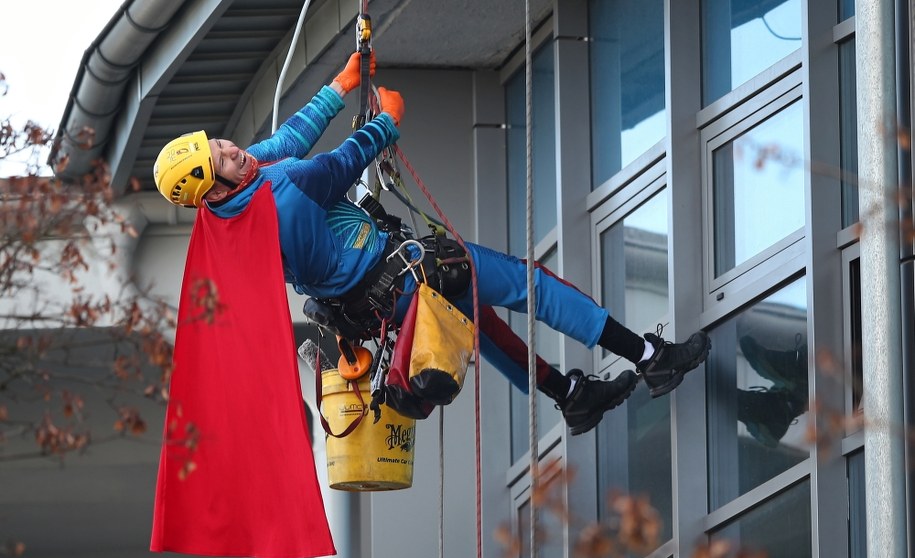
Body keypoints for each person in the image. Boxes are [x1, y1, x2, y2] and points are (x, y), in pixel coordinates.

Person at [153, 51, 711, 436]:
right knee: (529, 284)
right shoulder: (288, 194)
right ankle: (651, 358)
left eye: (223, 142)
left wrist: (341, 86)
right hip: (402, 274)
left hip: (376, 305)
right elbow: (343, 162)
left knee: (481, 327)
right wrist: (389, 120)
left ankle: (570, 396)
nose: (235, 150)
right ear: (214, 185)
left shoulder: (232, 216)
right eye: (224, 156)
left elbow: (284, 140)